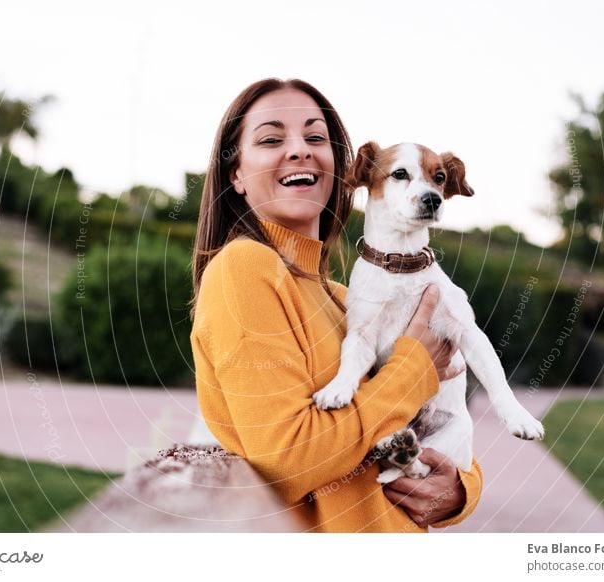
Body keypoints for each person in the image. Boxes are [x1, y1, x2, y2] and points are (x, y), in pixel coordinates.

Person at [189, 78, 482, 532]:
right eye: (271, 139)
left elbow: (429, 425)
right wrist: (415, 366)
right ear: (236, 175)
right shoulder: (244, 269)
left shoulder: (344, 296)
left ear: (341, 169)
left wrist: (461, 491)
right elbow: (287, 463)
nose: (299, 150)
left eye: (315, 137)